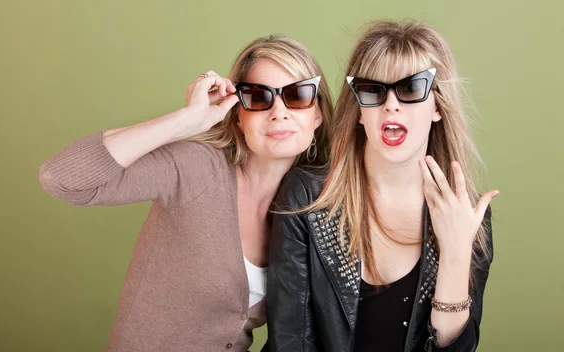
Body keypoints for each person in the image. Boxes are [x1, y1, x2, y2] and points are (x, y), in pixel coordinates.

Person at [39, 34, 333, 352]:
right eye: (260, 98)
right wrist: (185, 121)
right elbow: (61, 178)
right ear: (237, 117)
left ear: (317, 114)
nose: (279, 112)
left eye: (299, 95)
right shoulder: (197, 169)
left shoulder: (308, 206)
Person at [267, 20, 498, 352]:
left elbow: (454, 348)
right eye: (373, 90)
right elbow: (290, 340)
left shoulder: (467, 214)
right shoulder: (307, 195)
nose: (391, 104)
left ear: (438, 107)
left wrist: (456, 255)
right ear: (360, 110)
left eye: (411, 88)